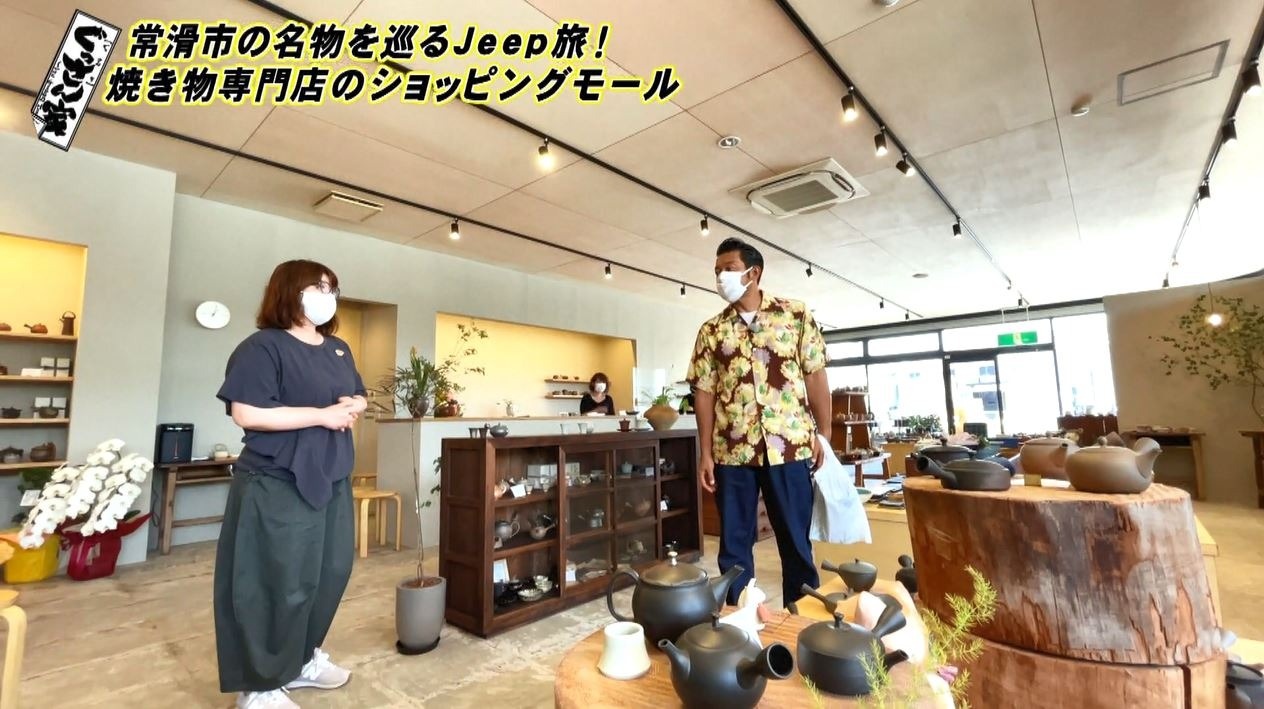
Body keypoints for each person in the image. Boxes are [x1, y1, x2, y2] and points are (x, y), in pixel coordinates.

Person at [214, 260, 367, 709]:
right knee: (276, 580)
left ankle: (298, 660)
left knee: (329, 572)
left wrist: (355, 404)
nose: (327, 295)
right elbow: (246, 412)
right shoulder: (263, 347)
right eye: (317, 286)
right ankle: (259, 684)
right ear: (288, 291)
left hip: (331, 475)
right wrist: (321, 416)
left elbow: (358, 393)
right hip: (278, 479)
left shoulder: (338, 349)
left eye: (332, 288)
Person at [687, 237, 831, 607]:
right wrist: (705, 453)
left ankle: (801, 618)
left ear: (754, 273)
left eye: (729, 269)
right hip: (732, 450)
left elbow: (815, 374)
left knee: (796, 542)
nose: (721, 277)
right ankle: (741, 621)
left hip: (790, 446)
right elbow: (704, 392)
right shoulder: (711, 331)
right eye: (717, 271)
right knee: (734, 545)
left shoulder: (794, 314)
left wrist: (825, 434)